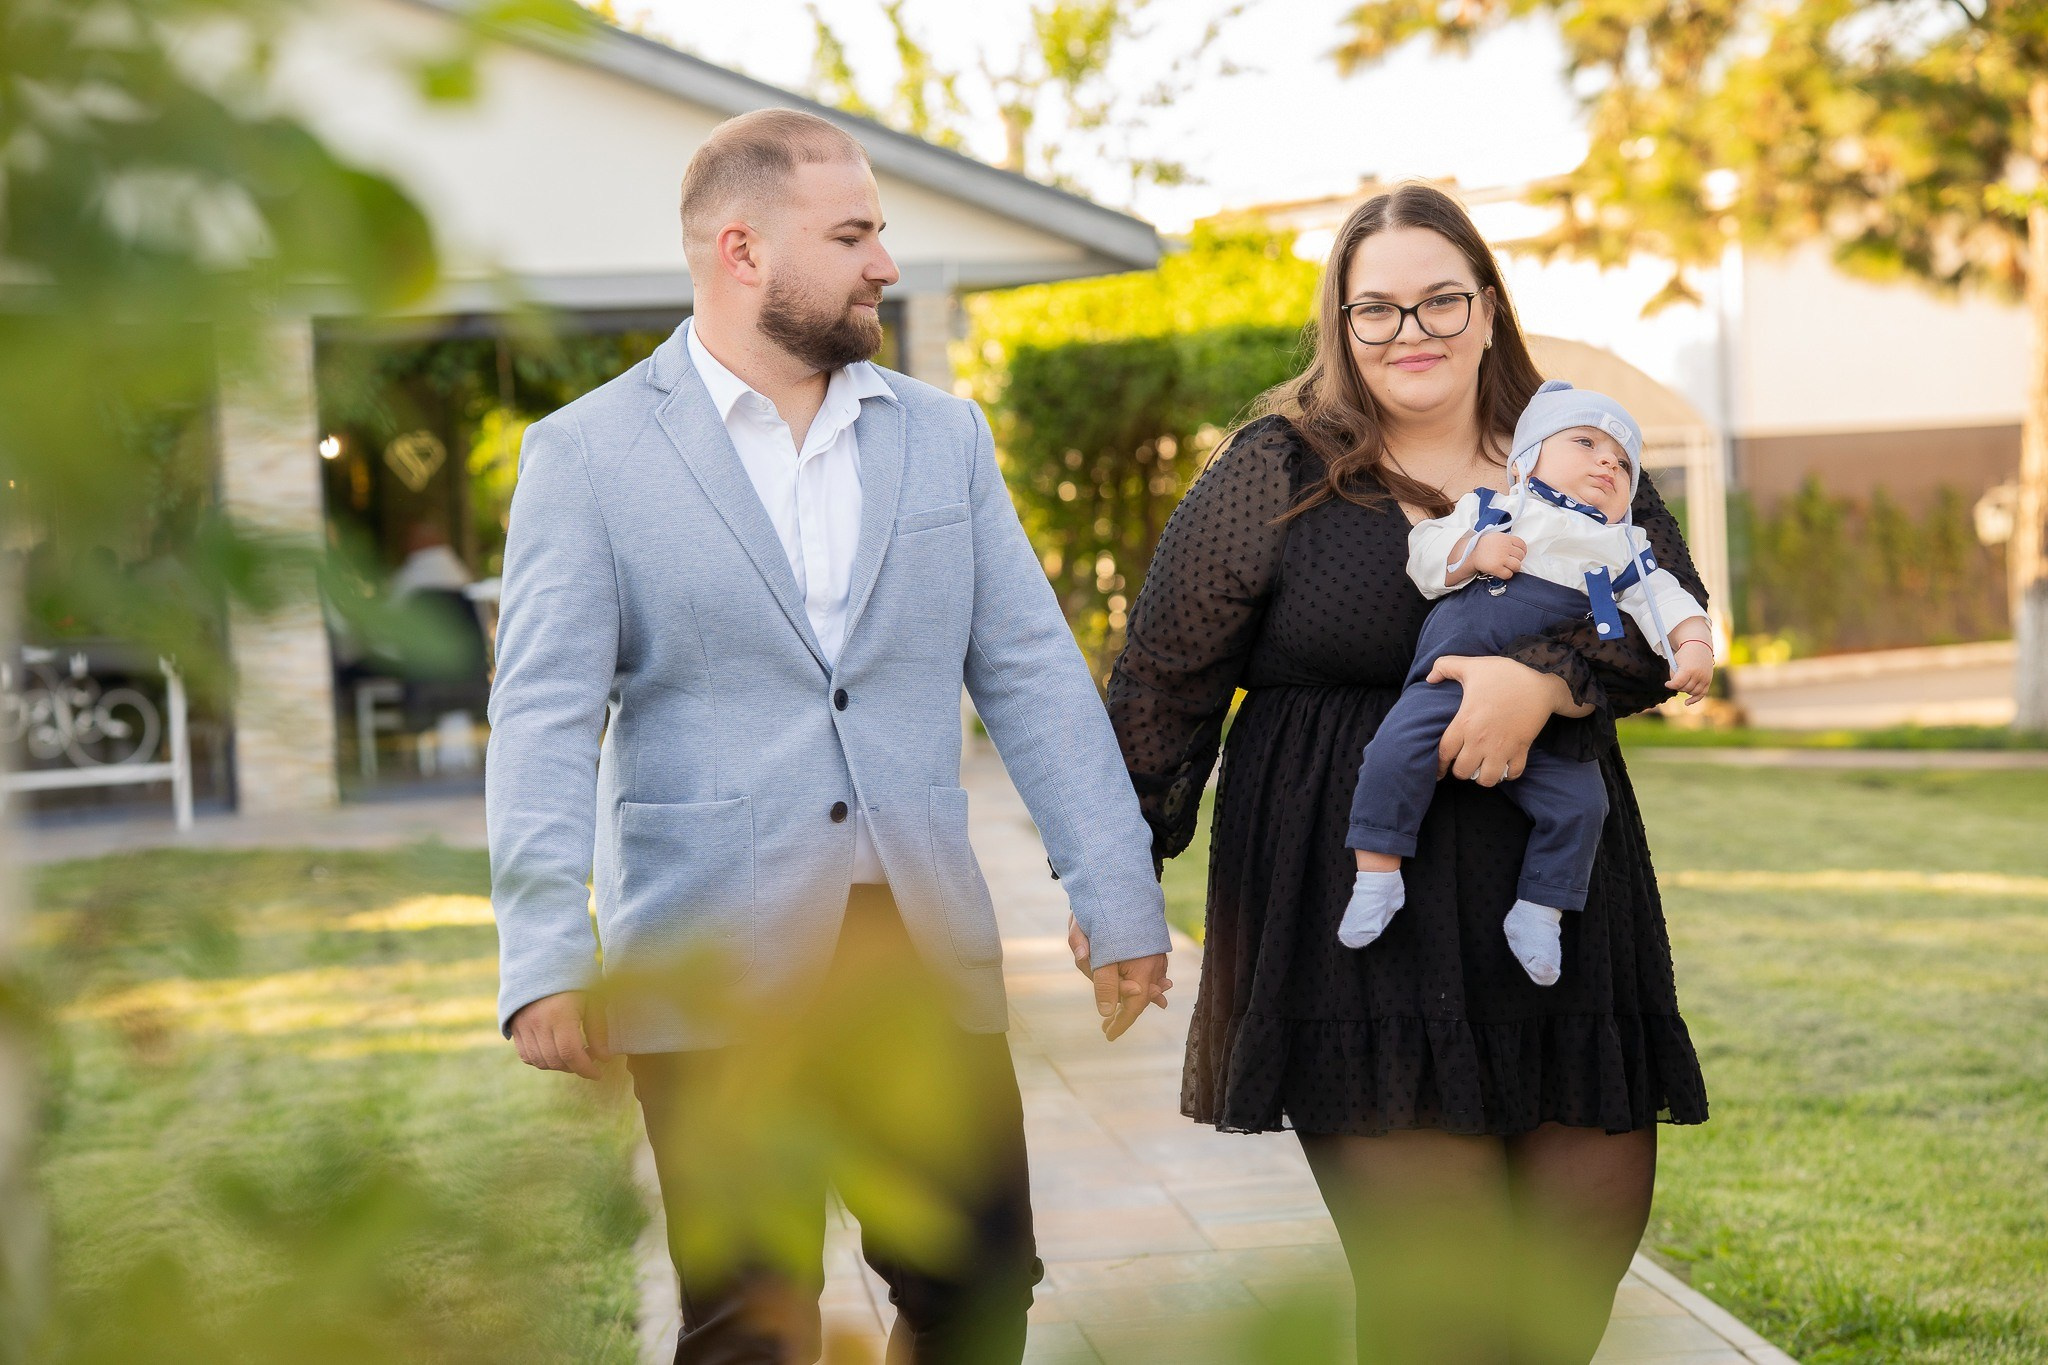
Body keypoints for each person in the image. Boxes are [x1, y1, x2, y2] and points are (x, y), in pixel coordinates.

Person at [484, 108, 1171, 1365]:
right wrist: (541, 950)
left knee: (976, 1291)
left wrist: (1114, 885)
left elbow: (1027, 670)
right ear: (740, 250)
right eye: (851, 234)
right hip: (703, 956)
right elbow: (539, 715)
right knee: (750, 1326)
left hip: (913, 943)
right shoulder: (583, 457)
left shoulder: (942, 438)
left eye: (881, 233)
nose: (883, 265)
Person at [1082, 182, 1711, 1364]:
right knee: (1445, 1310)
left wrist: (1551, 686)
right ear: (1339, 321)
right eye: (1375, 310)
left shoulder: (1580, 449)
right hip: (1356, 910)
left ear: (1485, 310)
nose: (1407, 333)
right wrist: (1114, 883)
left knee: (1574, 1263)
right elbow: (1160, 684)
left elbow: (1667, 618)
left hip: (1557, 905)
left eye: (1436, 302)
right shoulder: (1275, 467)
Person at [1341, 381, 1715, 987]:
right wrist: (1474, 551)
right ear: (1524, 461)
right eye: (1586, 442)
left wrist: (1693, 641)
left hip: (1552, 714)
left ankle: (1540, 911)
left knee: (1582, 804)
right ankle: (1377, 877)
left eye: (1623, 462)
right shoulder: (1492, 509)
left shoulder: (1624, 547)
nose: (1607, 462)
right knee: (1391, 754)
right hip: (1450, 676)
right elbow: (1424, 555)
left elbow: (1664, 598)